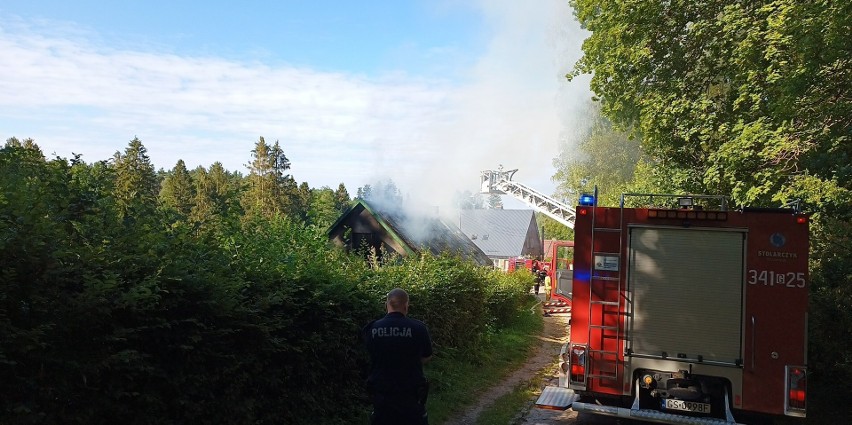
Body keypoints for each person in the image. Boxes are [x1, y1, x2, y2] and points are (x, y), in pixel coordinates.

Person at [363, 288, 433, 425]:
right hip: (411, 394)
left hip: (381, 394)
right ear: (406, 306)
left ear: (386, 304)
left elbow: (371, 354)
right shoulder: (419, 328)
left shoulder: (371, 329)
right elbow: (427, 356)